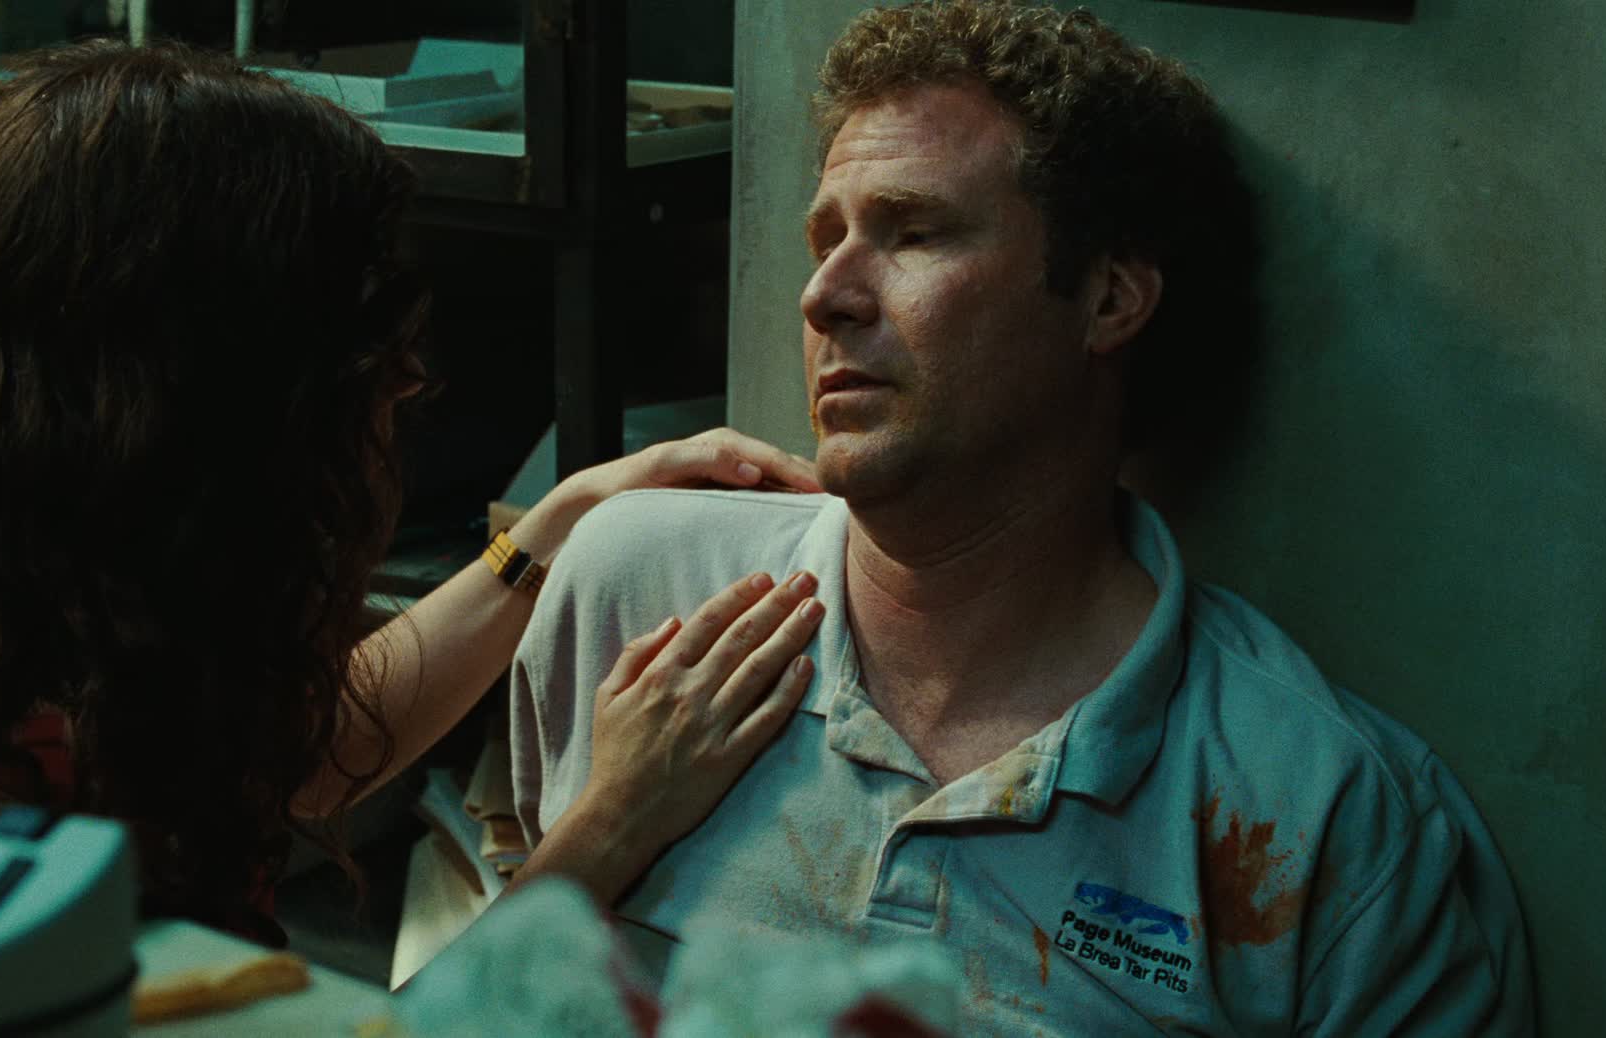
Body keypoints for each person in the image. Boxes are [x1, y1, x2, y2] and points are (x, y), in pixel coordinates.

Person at [509, 2, 1534, 1033]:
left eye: (915, 233)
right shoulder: (641, 592)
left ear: (1109, 300)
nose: (825, 295)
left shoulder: (1321, 812)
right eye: (826, 239)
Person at [0, 41, 825, 943]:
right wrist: (613, 822)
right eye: (365, 363)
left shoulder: (9, 625)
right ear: (215, 411)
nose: (403, 390)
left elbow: (301, 751)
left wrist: (547, 532)